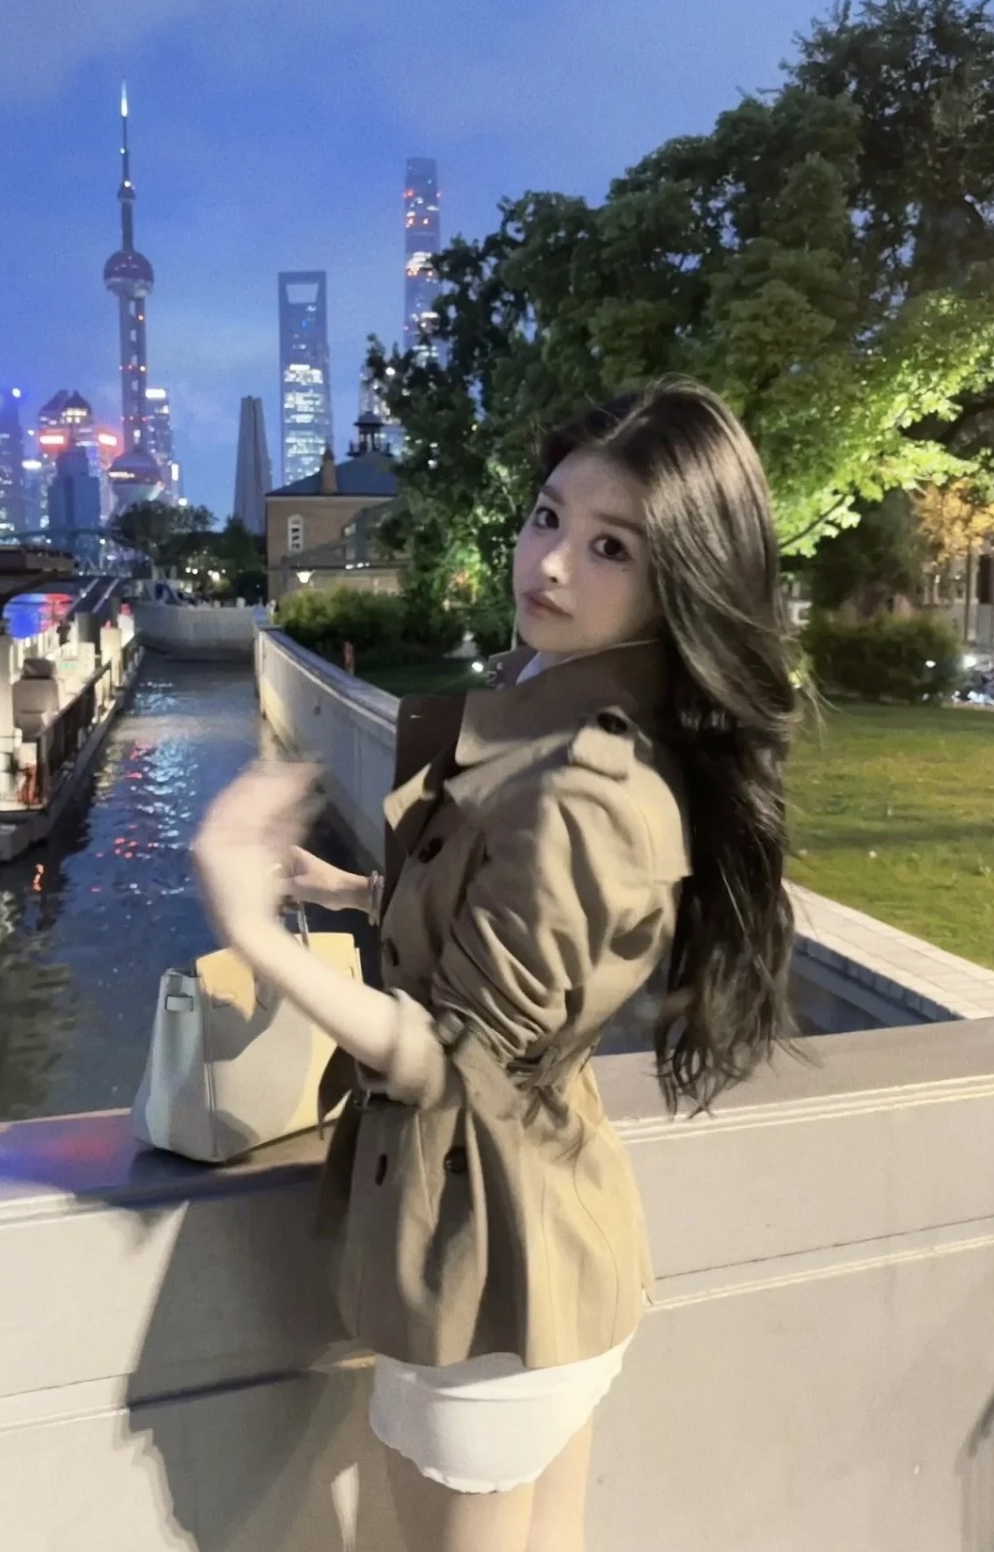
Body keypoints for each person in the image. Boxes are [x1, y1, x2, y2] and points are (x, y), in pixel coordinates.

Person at [191, 377, 812, 1552]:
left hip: (484, 1267)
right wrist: (352, 891)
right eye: (546, 517)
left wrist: (251, 928)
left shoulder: (584, 781)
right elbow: (512, 941)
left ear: (678, 579)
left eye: (610, 546)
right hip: (544, 1251)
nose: (552, 564)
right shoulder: (558, 712)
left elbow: (452, 1054)